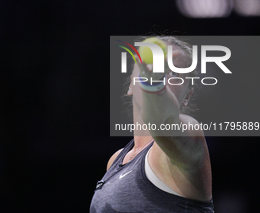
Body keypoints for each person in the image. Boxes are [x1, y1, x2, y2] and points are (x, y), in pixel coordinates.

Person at [90, 36, 214, 212]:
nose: (160, 74)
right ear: (131, 86)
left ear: (187, 96)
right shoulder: (116, 160)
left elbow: (161, 119)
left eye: (173, 72)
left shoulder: (188, 132)